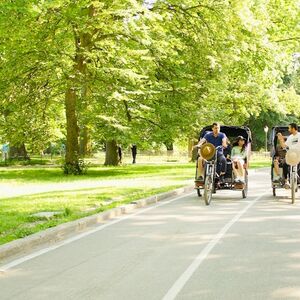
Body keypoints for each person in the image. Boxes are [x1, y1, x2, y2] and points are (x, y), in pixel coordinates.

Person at [277, 123, 300, 188]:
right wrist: (281, 139)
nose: (288, 129)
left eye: (289, 128)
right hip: (290, 154)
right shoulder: (290, 137)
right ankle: (286, 181)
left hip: (298, 154)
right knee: (284, 163)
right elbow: (284, 146)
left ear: (293, 128)